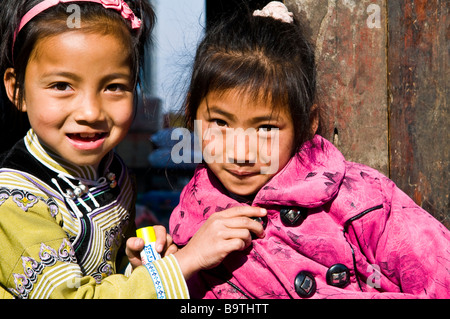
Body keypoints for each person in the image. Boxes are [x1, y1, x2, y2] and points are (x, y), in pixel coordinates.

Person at [169, 1, 450, 299]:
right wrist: (167, 273)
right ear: (192, 114)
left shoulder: (358, 199)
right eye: (221, 123)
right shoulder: (191, 225)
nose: (241, 152)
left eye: (266, 129)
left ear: (307, 123)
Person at [0, 0, 266, 299]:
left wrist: (138, 266)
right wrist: (184, 263)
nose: (90, 112)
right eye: (62, 86)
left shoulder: (114, 173)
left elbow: (104, 274)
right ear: (16, 89)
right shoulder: (15, 201)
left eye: (113, 86)